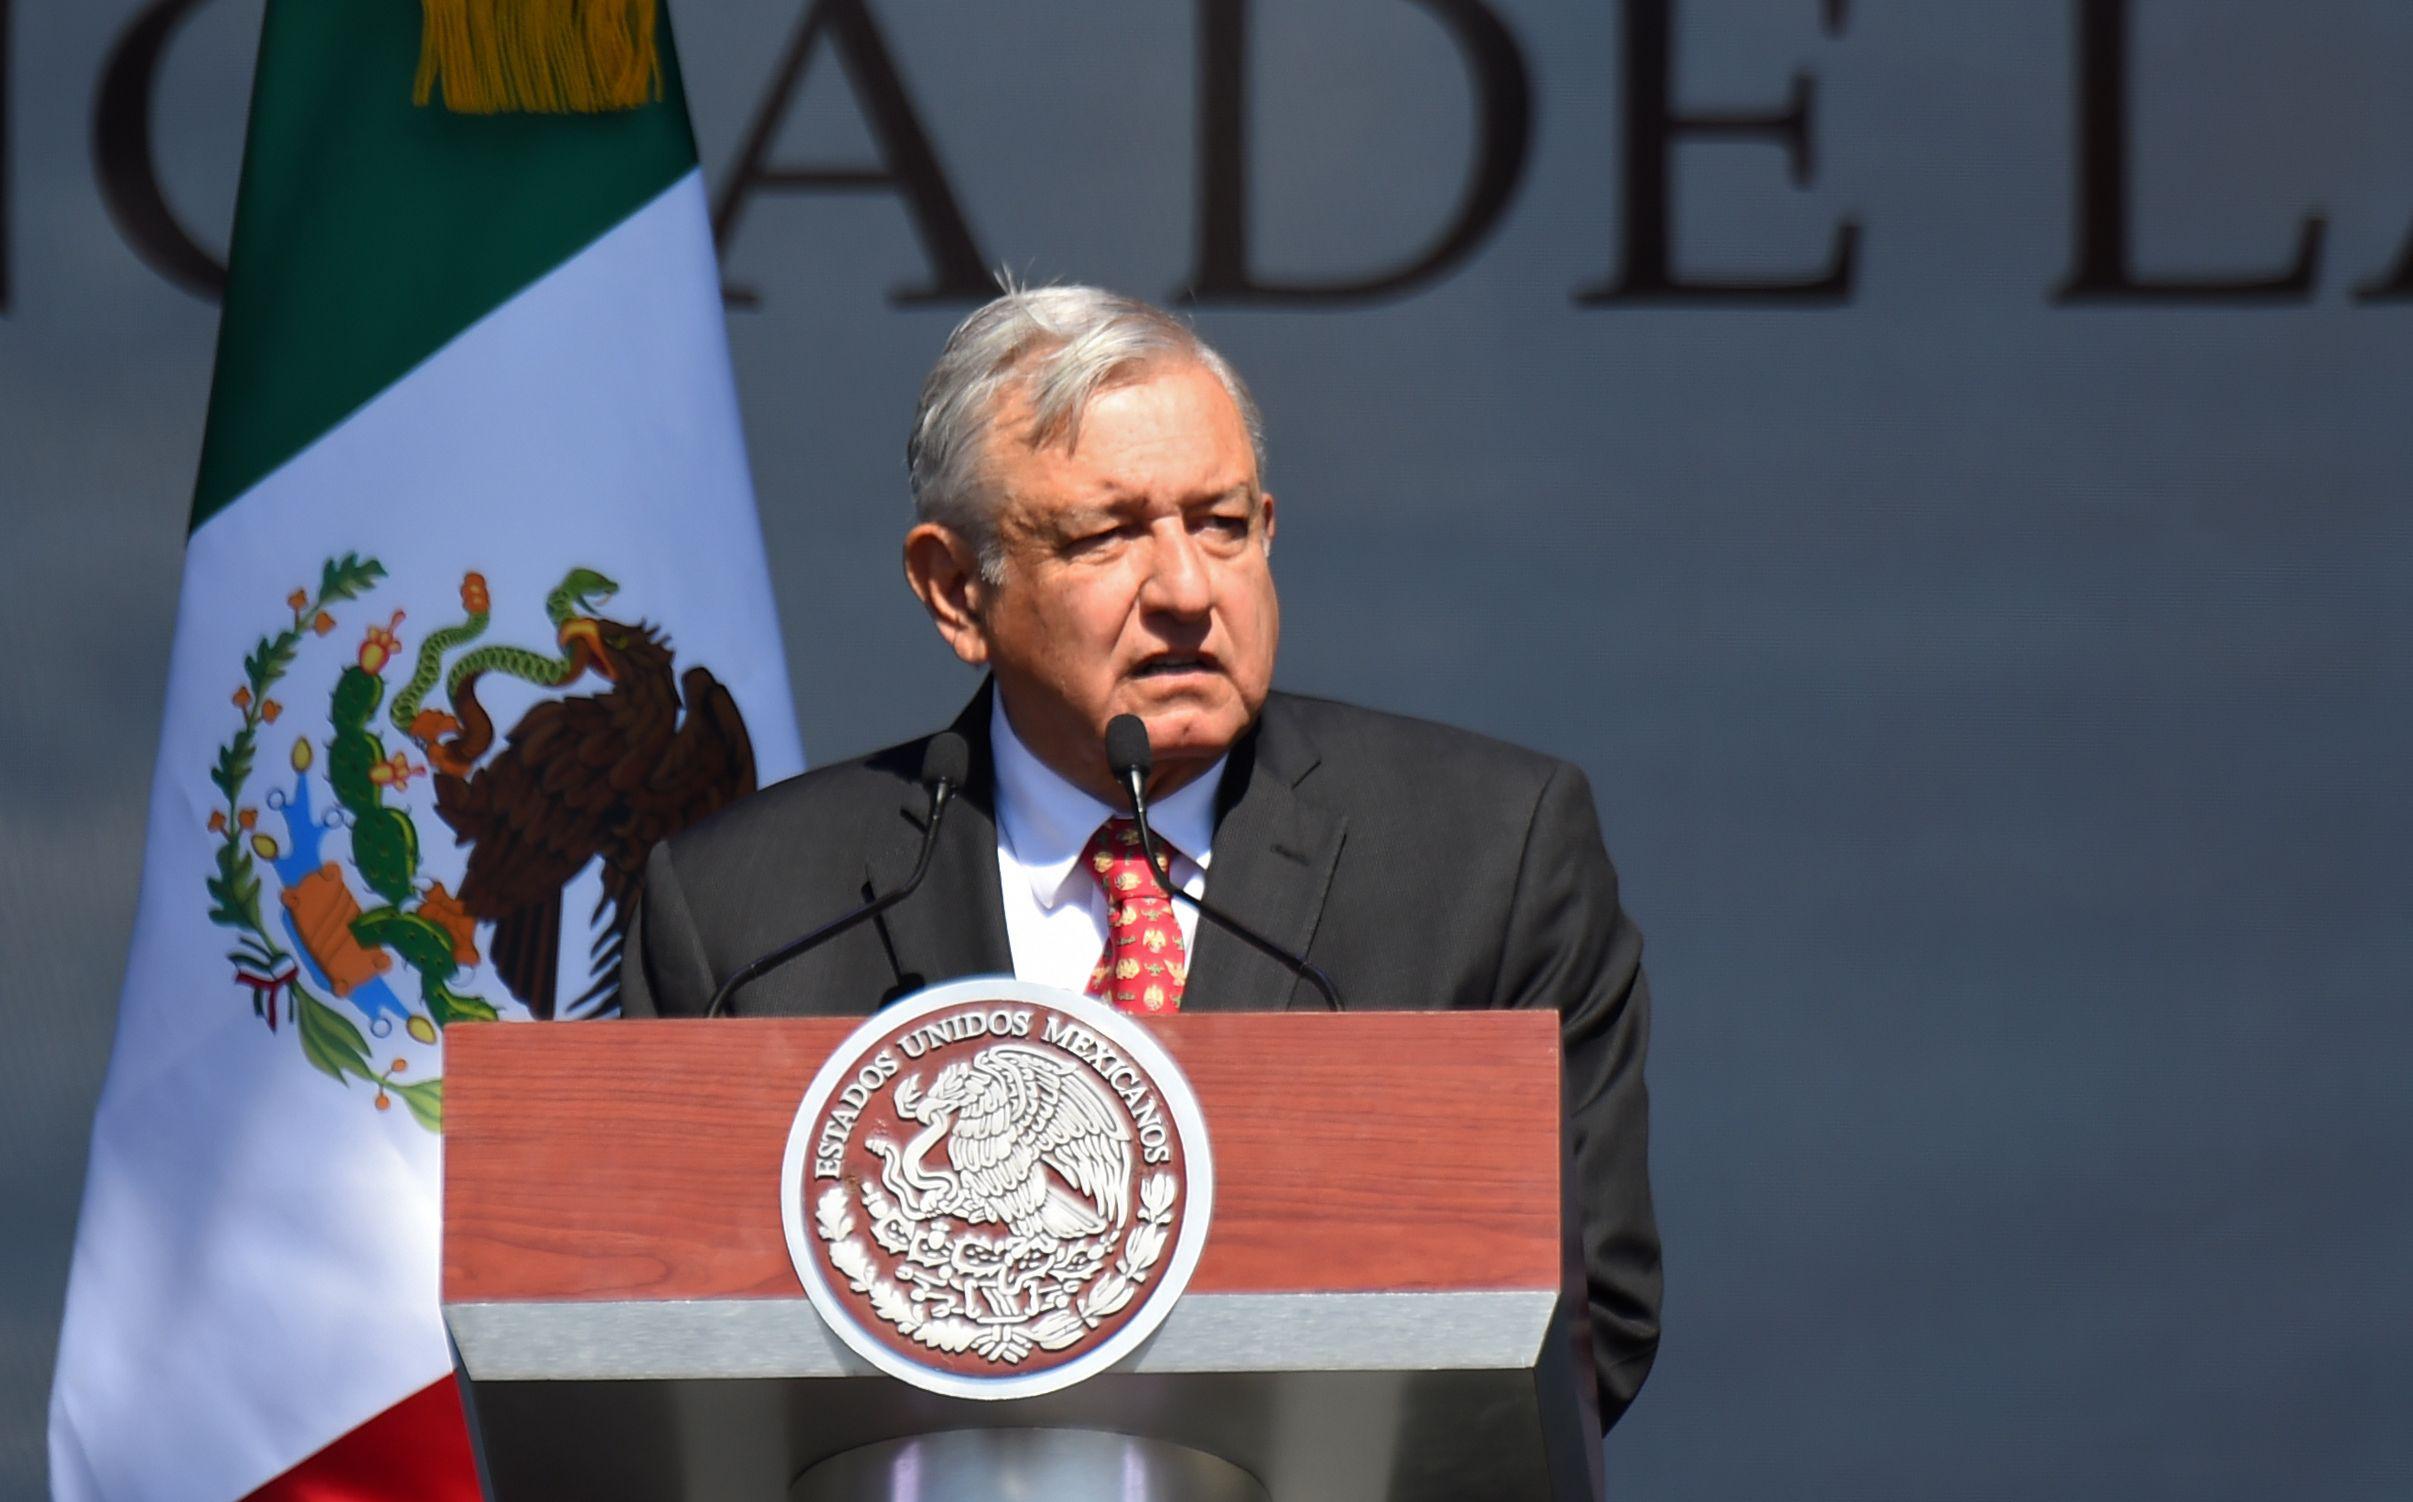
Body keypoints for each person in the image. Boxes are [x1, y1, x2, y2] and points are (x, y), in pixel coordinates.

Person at [620, 285, 1661, 1427]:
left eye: (1221, 524)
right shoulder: (749, 915)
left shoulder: (1487, 854)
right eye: (1107, 536)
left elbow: (1588, 1320)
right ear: (956, 590)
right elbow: (663, 1345)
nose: (1186, 590)